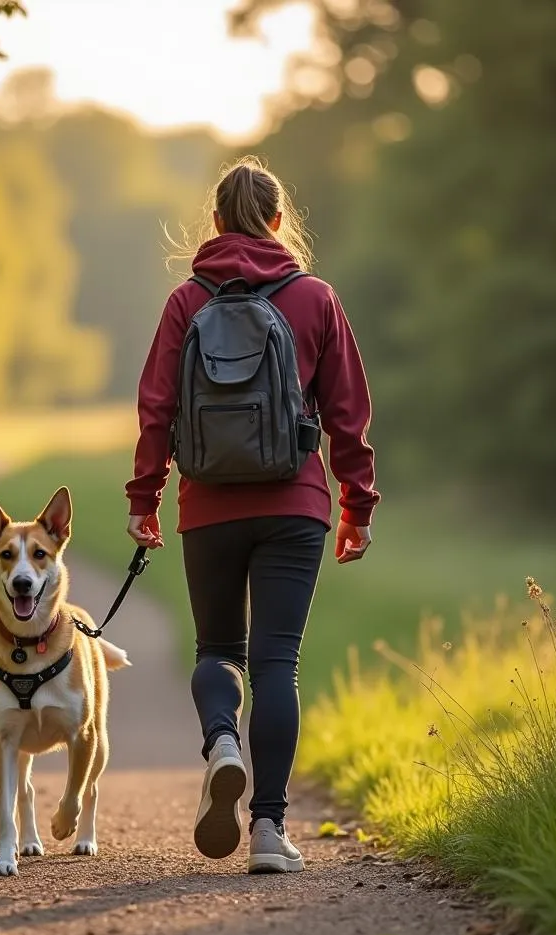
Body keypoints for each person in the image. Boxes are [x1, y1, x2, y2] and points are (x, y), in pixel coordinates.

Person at [125, 156, 379, 874]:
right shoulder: (315, 297)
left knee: (216, 652)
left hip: (208, 505)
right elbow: (347, 415)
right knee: (277, 664)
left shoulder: (186, 301)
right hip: (295, 505)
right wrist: (358, 504)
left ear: (213, 223)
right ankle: (268, 832)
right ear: (277, 220)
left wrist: (143, 498)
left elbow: (156, 409)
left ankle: (222, 744)